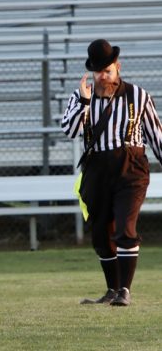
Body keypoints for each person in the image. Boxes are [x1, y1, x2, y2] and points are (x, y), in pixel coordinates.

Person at [62, 39, 162, 306]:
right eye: (98, 71)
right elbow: (70, 131)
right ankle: (112, 290)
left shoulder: (139, 96)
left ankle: (125, 291)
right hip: (97, 169)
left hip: (132, 168)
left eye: (107, 71)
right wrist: (84, 103)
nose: (102, 76)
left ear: (117, 67)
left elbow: (156, 137)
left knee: (125, 228)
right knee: (100, 234)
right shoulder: (80, 95)